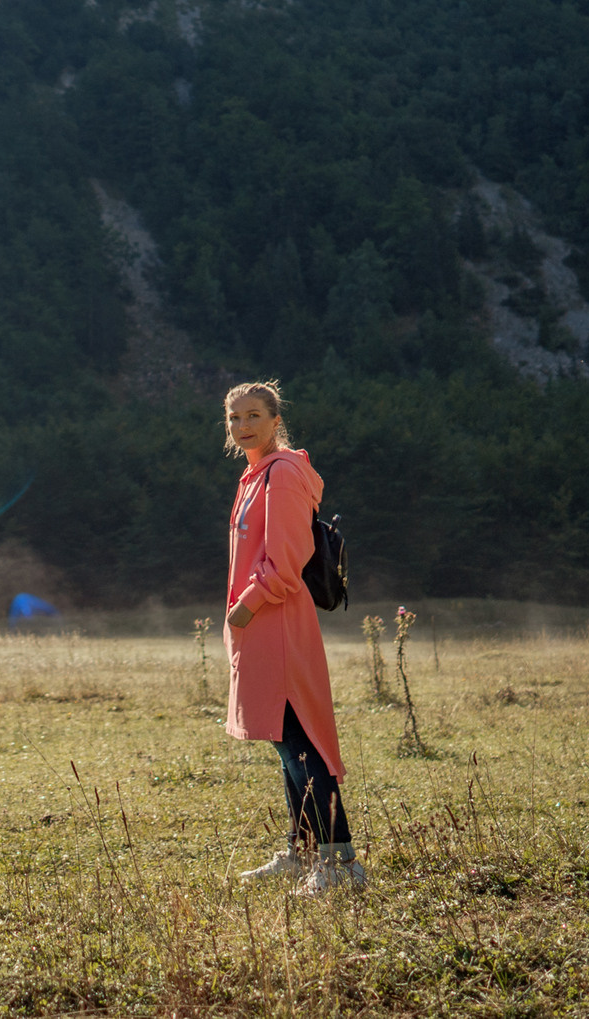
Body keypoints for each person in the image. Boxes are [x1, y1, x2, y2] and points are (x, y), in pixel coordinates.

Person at [221, 379, 364, 893]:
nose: (243, 427)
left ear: (275, 420)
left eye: (254, 416)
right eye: (235, 418)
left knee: (302, 746)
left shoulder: (280, 476)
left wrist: (245, 607)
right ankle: (302, 852)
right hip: (259, 630)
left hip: (276, 624)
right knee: (286, 745)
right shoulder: (253, 476)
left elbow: (285, 563)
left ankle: (340, 863)